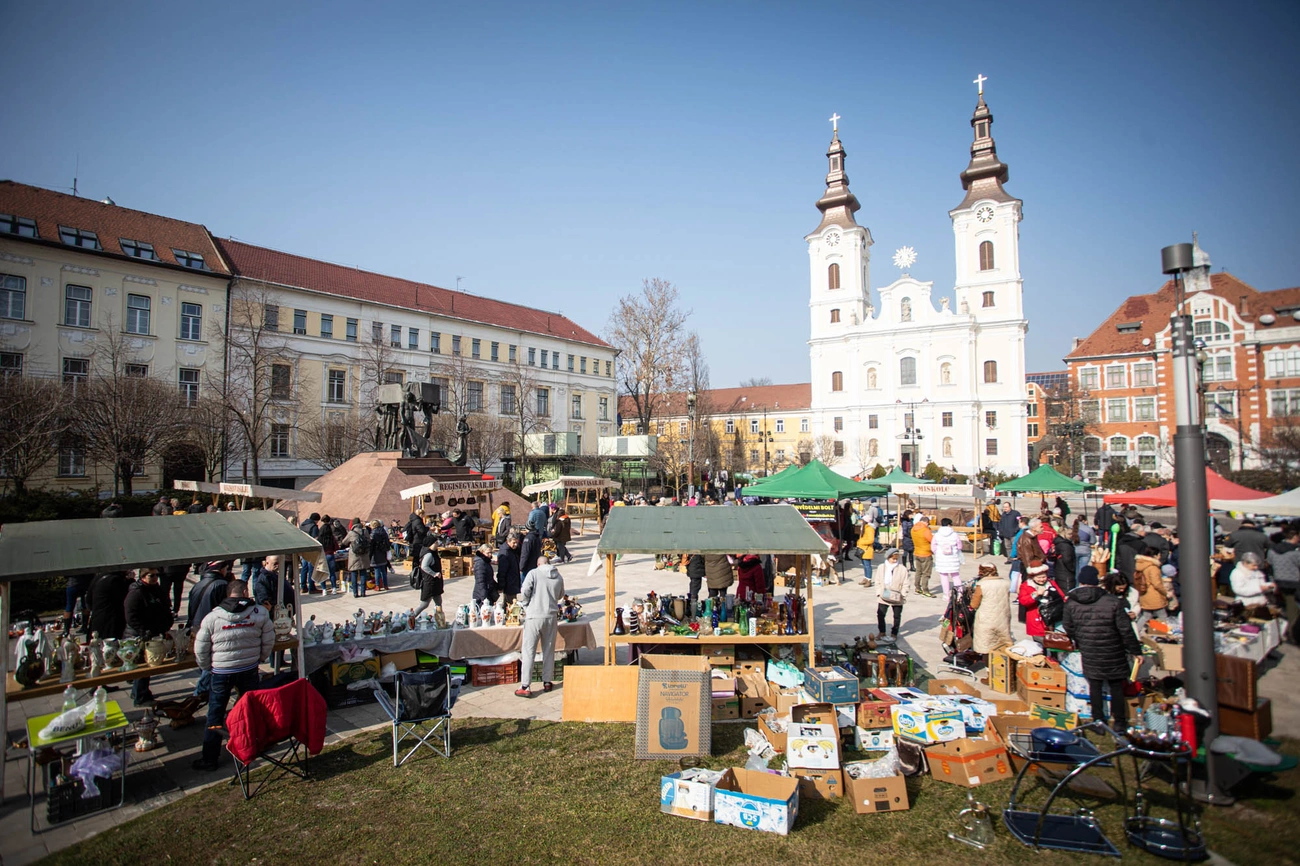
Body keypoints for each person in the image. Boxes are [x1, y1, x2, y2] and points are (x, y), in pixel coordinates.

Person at [191, 578, 275, 771]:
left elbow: (201, 647)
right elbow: (269, 640)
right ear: (245, 592)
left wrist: (208, 667)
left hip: (221, 670)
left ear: (229, 594)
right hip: (248, 667)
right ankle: (253, 745)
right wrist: (260, 658)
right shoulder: (260, 612)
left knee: (215, 714)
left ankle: (210, 757)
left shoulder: (213, 617)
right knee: (251, 709)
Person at [1063, 567, 1144, 730]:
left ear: (1080, 581)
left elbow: (1068, 626)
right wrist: (1136, 651)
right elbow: (1125, 629)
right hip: (1113, 648)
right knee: (1116, 686)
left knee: (1095, 686)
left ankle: (1098, 721)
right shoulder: (1113, 602)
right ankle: (1120, 722)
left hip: (1089, 648)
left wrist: (1080, 639)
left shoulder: (1072, 602)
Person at [515, 542, 566, 697]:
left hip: (534, 615)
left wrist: (525, 603)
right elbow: (560, 595)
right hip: (551, 616)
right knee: (548, 650)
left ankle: (525, 685)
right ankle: (547, 681)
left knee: (529, 650)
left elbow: (525, 591)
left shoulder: (533, 573)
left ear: (538, 564)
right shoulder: (558, 576)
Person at [124, 568, 173, 705]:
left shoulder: (155, 589)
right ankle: (140, 696)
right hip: (138, 635)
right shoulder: (136, 592)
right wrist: (143, 631)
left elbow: (164, 605)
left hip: (152, 632)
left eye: (157, 575)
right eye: (152, 575)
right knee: (143, 665)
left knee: (147, 665)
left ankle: (139, 692)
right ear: (143, 576)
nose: (155, 578)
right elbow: (131, 616)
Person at [1267, 526, 1300, 644]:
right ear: (1295, 537)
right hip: (1294, 583)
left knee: (1286, 608)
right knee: (1293, 611)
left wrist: (1273, 581)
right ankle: (1292, 635)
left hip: (1278, 582)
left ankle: (1287, 631)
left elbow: (1270, 566)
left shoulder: (1273, 549)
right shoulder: (1296, 551)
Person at [970, 563, 1011, 653]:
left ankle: (988, 665)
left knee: (985, 644)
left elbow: (974, 605)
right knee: (1002, 642)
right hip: (1003, 617)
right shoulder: (1006, 583)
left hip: (986, 618)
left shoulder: (981, 585)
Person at [1018, 555, 1064, 637]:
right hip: (1036, 619)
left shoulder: (1051, 583)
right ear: (1033, 577)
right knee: (1039, 644)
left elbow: (1061, 596)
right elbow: (1023, 601)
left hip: (1053, 617)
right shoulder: (1026, 586)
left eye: (1044, 577)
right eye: (1039, 577)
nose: (1042, 579)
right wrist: (1035, 595)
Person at [874, 548, 910, 643]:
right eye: (893, 558)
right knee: (880, 614)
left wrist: (903, 594)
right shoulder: (881, 567)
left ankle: (894, 633)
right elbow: (877, 581)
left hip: (897, 595)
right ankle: (882, 632)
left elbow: (906, 583)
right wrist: (878, 592)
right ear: (888, 557)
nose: (894, 560)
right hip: (884, 593)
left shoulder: (902, 569)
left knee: (897, 616)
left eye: (896, 558)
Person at [86, 570, 130, 641]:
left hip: (97, 618)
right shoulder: (116, 580)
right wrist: (129, 581)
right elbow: (124, 599)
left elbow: (88, 601)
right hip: (111, 620)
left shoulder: (99, 577)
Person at [1133, 542, 1168, 630]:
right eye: (1159, 554)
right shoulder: (1153, 567)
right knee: (1162, 616)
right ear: (1155, 556)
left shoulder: (1141, 565)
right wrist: (1165, 592)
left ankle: (1137, 632)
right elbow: (1157, 583)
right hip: (1154, 595)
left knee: (1146, 615)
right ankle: (1162, 633)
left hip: (1144, 594)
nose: (1160, 556)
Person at [931, 517, 965, 598]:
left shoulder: (937, 535)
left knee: (944, 577)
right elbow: (960, 546)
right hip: (953, 558)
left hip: (941, 558)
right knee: (956, 576)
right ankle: (959, 593)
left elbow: (933, 546)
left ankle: (946, 594)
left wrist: (937, 552)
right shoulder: (954, 534)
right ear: (949, 525)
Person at [1103, 570, 1141, 638]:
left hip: (1127, 625)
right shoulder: (1103, 593)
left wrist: (1134, 613)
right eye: (1120, 588)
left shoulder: (1132, 593)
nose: (1122, 590)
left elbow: (1136, 605)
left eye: (1124, 588)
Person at [342, 518, 371, 598]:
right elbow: (369, 540)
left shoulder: (351, 533)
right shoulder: (365, 531)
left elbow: (344, 542)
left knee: (354, 574)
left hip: (354, 555)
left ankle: (355, 593)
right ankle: (363, 592)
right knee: (363, 574)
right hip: (364, 555)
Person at [415, 544, 448, 616]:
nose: (437, 544)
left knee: (438, 602)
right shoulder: (429, 554)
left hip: (435, 583)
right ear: (430, 544)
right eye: (435, 543)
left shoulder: (432, 553)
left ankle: (440, 621)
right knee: (424, 604)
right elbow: (424, 566)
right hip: (430, 583)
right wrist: (434, 574)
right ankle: (411, 617)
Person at [911, 515, 934, 597]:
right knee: (926, 573)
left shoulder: (913, 528)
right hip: (926, 553)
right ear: (926, 522)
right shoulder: (925, 530)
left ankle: (917, 588)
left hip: (917, 552)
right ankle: (925, 589)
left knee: (918, 572)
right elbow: (932, 540)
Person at [497, 531, 523, 605]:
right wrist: (501, 585)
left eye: (516, 542)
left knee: (510, 603)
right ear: (508, 541)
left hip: (513, 581)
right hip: (509, 584)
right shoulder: (505, 553)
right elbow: (502, 571)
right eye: (514, 543)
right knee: (511, 604)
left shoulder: (512, 550)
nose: (516, 545)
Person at [298, 513, 321, 593]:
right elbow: (315, 539)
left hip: (303, 549)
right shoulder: (313, 527)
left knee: (304, 568)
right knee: (311, 569)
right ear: (316, 520)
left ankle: (303, 587)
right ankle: (312, 587)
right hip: (311, 550)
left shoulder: (302, 525)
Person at [319, 515, 340, 594]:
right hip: (330, 554)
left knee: (322, 572)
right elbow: (336, 546)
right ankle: (334, 588)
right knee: (332, 573)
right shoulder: (331, 535)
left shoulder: (321, 533)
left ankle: (324, 589)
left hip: (322, 555)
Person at [369, 519, 391, 590]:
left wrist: (369, 555)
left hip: (375, 554)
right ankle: (386, 585)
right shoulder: (383, 532)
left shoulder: (373, 534)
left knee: (377, 571)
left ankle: (377, 585)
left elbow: (371, 546)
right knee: (383, 571)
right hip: (383, 553)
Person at [1071, 516, 1095, 581]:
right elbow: (1093, 542)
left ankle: (1075, 585)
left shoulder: (1071, 528)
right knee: (1082, 570)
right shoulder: (1089, 529)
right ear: (1084, 521)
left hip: (1074, 550)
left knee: (1075, 570)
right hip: (1085, 551)